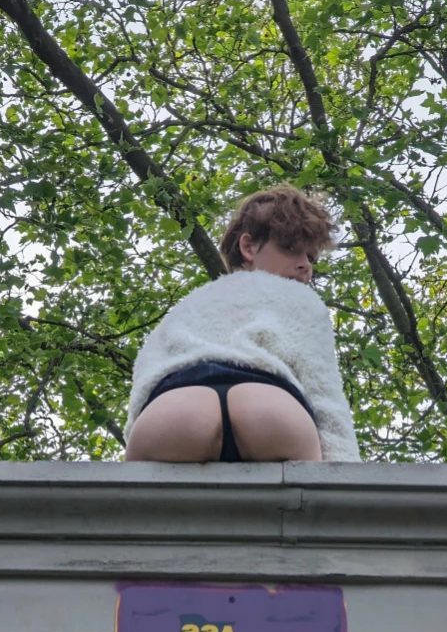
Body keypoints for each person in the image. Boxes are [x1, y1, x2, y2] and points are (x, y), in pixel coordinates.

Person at [123, 184, 361, 463]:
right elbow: (326, 398)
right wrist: (346, 473)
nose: (305, 265)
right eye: (290, 248)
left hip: (176, 406)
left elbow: (146, 379)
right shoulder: (301, 300)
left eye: (311, 257)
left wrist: (140, 433)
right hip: (270, 406)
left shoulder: (187, 306)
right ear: (248, 247)